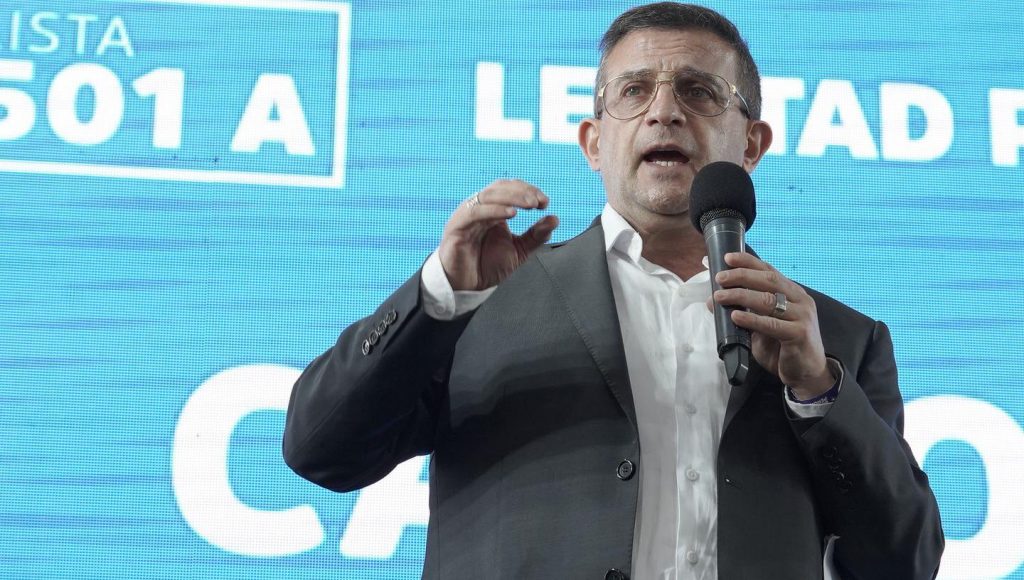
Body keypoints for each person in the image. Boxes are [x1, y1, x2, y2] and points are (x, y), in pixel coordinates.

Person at [282, 2, 944, 578]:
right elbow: (322, 450)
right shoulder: (483, 302)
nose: (664, 112)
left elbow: (902, 563)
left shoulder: (838, 340)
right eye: (634, 91)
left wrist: (817, 391)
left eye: (699, 91)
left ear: (752, 145)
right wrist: (442, 295)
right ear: (594, 142)